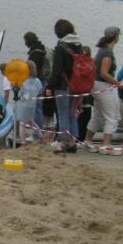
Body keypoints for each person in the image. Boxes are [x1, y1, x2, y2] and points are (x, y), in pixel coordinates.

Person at [46, 19, 85, 153]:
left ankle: (62, 142)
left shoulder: (61, 47)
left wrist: (50, 86)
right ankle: (72, 142)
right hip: (77, 85)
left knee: (62, 113)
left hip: (62, 85)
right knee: (72, 113)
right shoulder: (79, 46)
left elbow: (57, 70)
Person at [83, 27, 123, 150]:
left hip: (95, 85)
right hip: (104, 86)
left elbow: (95, 68)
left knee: (98, 115)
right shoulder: (108, 53)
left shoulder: (101, 50)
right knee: (112, 116)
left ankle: (88, 140)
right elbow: (104, 73)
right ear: (115, 37)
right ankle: (106, 144)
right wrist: (119, 84)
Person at [23, 31, 49, 132]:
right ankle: (38, 130)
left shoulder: (35, 53)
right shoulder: (41, 49)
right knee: (38, 107)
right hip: (42, 80)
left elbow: (34, 69)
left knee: (36, 108)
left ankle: (37, 133)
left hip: (37, 82)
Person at [16, 61, 43, 145]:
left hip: (24, 105)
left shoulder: (24, 81)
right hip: (32, 105)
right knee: (31, 122)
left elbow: (20, 94)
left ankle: (23, 142)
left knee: (22, 124)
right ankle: (40, 136)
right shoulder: (37, 81)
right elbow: (40, 91)